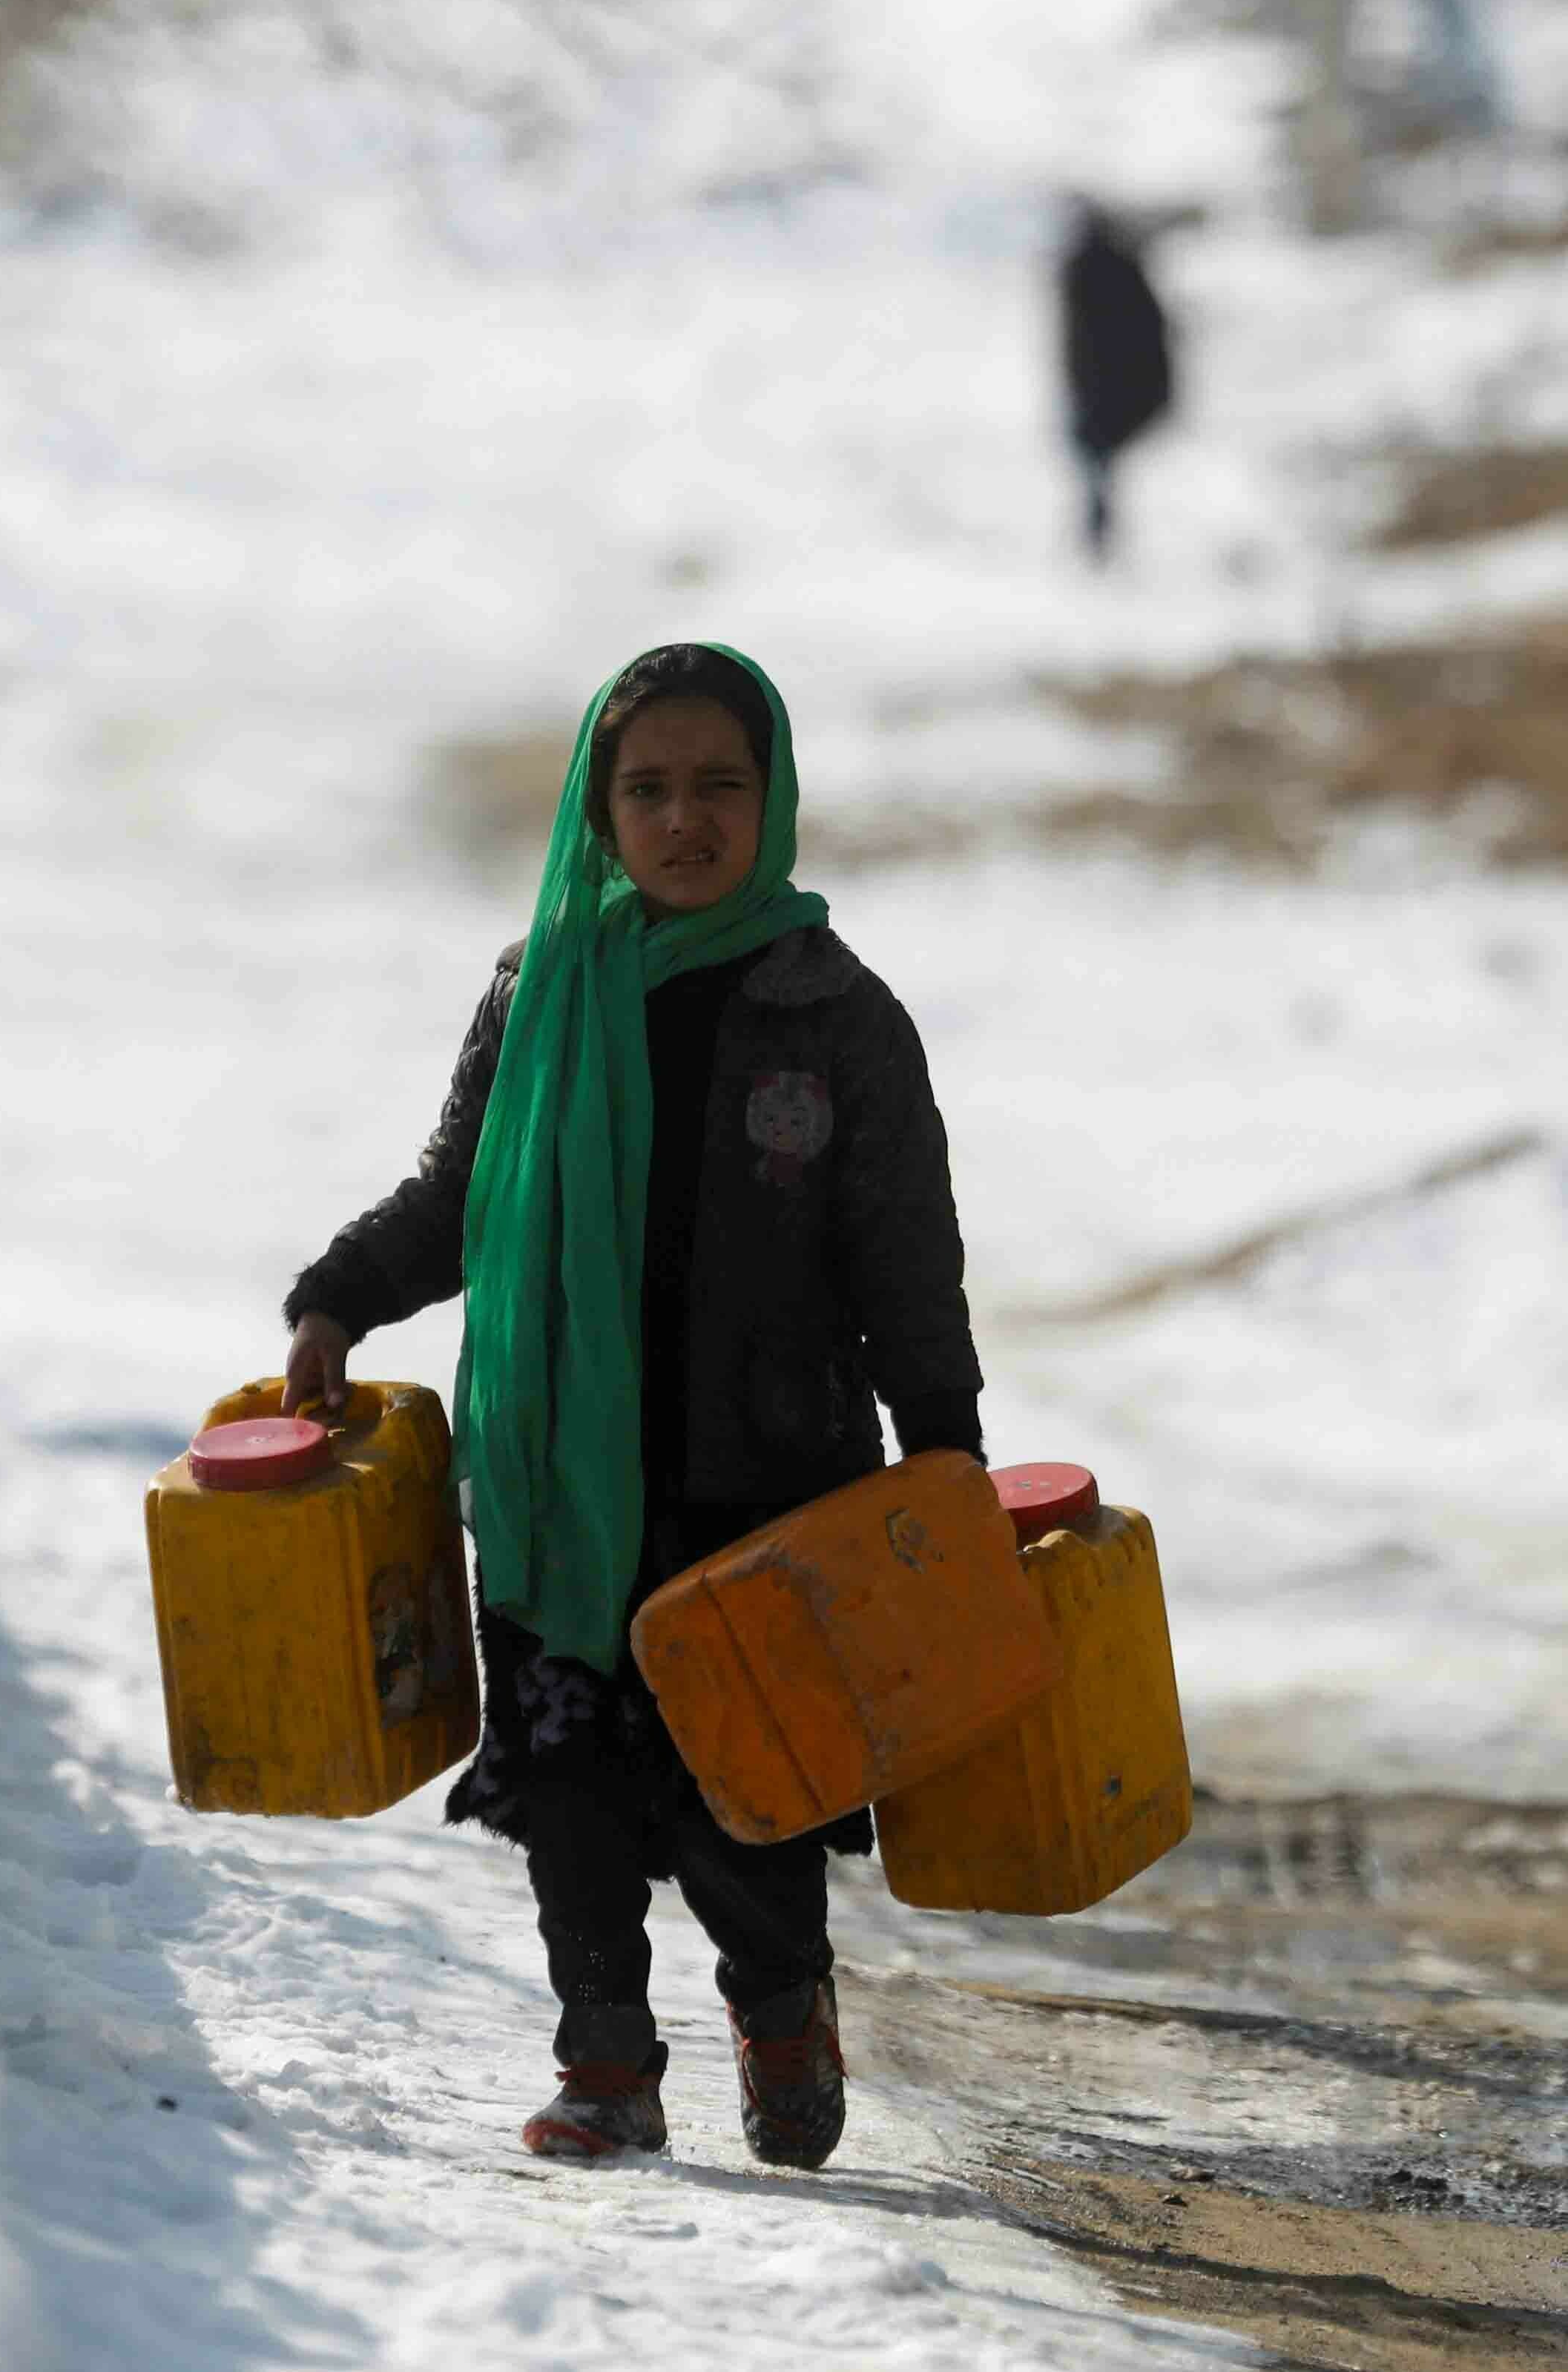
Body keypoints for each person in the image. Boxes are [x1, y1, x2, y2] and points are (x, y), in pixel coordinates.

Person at [280, 642, 983, 2170]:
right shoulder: (538, 992)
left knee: (754, 1791)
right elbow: (457, 1194)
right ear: (599, 813)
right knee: (573, 1791)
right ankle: (604, 2059)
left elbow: (904, 1256)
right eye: (648, 790)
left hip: (767, 1481)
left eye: (718, 787)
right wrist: (336, 1294)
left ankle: (780, 2005)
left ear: (772, 798)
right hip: (558, 1477)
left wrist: (943, 1450)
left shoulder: (834, 1013)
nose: (684, 821)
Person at [1057, 200, 1176, 563]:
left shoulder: (1089, 271)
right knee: (1101, 471)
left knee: (1101, 470)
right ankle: (1101, 544)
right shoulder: (1108, 270)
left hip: (1099, 391)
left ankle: (1103, 543)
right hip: (1099, 390)